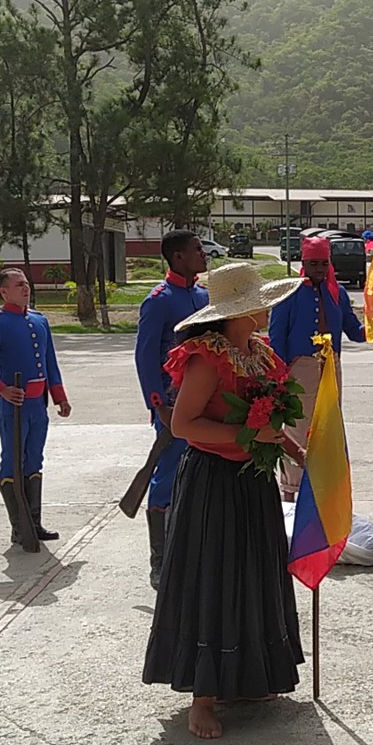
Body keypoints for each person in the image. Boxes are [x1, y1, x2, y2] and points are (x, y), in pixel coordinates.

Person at [142, 262, 306, 740]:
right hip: (212, 484)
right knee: (213, 579)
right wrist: (246, 435)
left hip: (252, 483)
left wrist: (300, 455)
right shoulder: (206, 358)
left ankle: (250, 679)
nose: (268, 311)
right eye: (260, 304)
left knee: (253, 576)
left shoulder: (257, 353)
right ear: (239, 312)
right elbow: (183, 425)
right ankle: (204, 697)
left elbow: (269, 425)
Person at [0, 268, 72, 552]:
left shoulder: (39, 320)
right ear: (4, 292)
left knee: (34, 460)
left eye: (26, 283)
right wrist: (0, 389)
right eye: (18, 285)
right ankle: (19, 526)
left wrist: (60, 397)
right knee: (13, 460)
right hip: (14, 406)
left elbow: (49, 362)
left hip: (38, 405)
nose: (25, 288)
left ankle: (34, 523)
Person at [132, 230, 209, 588]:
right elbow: (145, 357)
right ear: (178, 257)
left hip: (205, 401)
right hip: (173, 405)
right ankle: (160, 561)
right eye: (197, 249)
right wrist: (158, 405)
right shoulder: (158, 301)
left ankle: (190, 552)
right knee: (165, 478)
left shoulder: (203, 296)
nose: (203, 254)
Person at [269, 235, 367, 501]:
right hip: (300, 368)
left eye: (324, 263)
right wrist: (278, 377)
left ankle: (325, 492)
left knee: (329, 428)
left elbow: (354, 330)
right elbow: (276, 338)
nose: (320, 269)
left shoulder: (338, 293)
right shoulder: (289, 293)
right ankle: (290, 492)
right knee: (297, 429)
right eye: (314, 263)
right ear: (303, 262)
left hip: (331, 366)